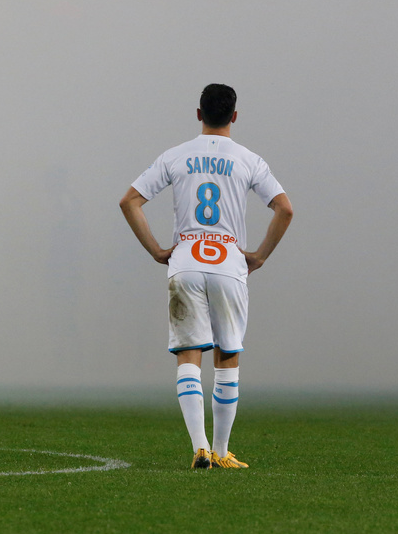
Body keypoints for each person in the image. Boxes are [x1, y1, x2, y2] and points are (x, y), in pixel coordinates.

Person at [120, 84, 293, 470]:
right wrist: (259, 256)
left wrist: (156, 250)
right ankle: (221, 451)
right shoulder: (249, 160)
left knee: (188, 354)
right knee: (227, 355)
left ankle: (199, 447)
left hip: (186, 261)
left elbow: (129, 201)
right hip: (228, 262)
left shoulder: (175, 155)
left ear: (199, 114)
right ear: (234, 116)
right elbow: (285, 209)